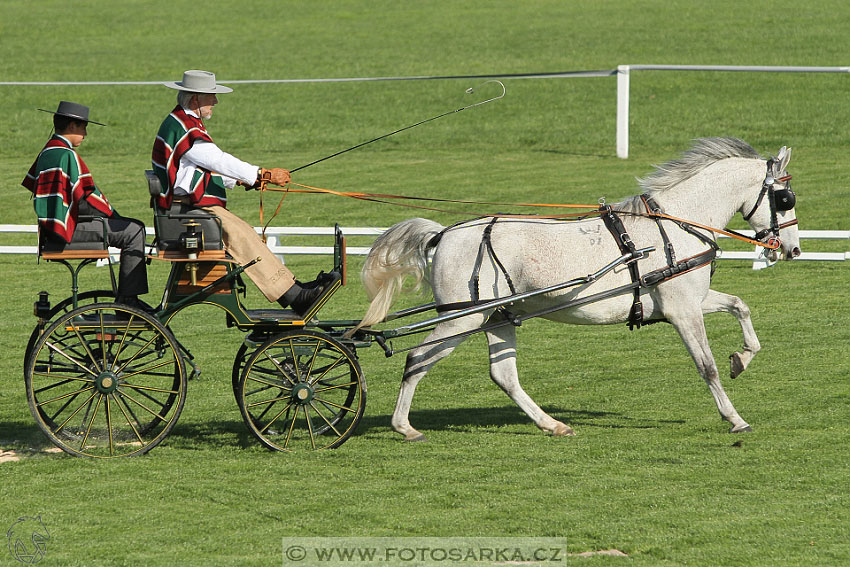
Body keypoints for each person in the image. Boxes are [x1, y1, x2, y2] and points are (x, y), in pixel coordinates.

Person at [151, 70, 329, 315]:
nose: (215, 102)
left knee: (244, 232)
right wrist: (261, 174)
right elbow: (218, 161)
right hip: (187, 210)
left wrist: (247, 181)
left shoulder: (182, 123)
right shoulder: (186, 129)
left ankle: (293, 288)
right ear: (195, 100)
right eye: (210, 97)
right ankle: (294, 295)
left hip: (184, 206)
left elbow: (201, 169)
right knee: (240, 235)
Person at [23, 101, 149, 308]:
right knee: (134, 230)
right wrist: (112, 215)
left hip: (51, 229)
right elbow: (84, 198)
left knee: (130, 226)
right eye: (83, 127)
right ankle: (128, 301)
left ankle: (127, 298)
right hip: (68, 232)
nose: (85, 133)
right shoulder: (67, 154)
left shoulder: (48, 151)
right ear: (72, 126)